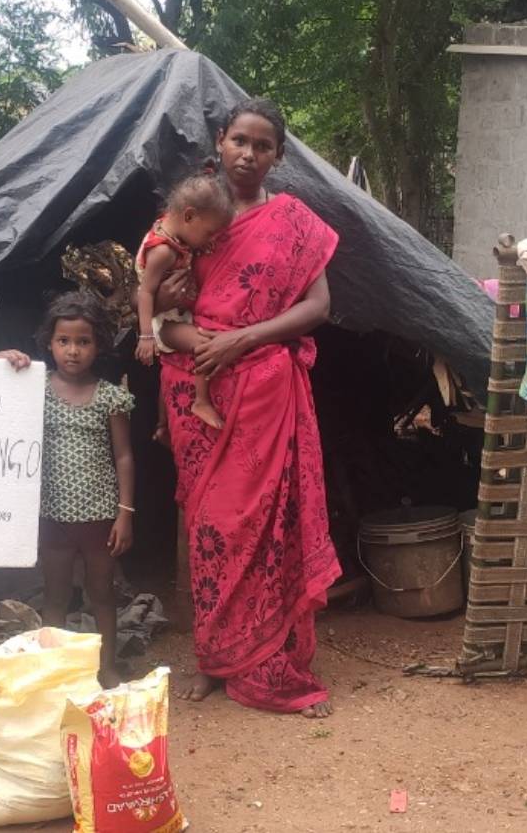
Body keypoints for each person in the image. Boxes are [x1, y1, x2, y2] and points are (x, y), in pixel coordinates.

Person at [157, 98, 341, 718]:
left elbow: (318, 306)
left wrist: (243, 339)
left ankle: (271, 658)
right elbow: (154, 313)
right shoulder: (188, 215)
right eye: (240, 140)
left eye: (263, 146)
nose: (248, 154)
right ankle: (215, 657)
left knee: (268, 530)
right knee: (211, 530)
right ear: (220, 139)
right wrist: (193, 332)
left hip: (265, 395)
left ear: (278, 156)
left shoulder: (293, 223)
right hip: (198, 392)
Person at [0, 292, 136, 689]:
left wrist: (125, 512)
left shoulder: (109, 396)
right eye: (64, 341)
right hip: (51, 514)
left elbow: (124, 456)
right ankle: (54, 671)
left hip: (100, 516)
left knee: (102, 593)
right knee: (55, 595)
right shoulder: (34, 387)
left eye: (83, 341)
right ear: (49, 342)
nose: (73, 351)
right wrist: (0, 363)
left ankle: (106, 668)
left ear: (99, 345)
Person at [134, 170, 234, 433]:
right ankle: (201, 402)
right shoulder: (163, 252)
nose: (212, 239)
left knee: (172, 366)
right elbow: (145, 292)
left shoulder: (173, 228)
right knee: (206, 344)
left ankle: (162, 425)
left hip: (177, 315)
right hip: (164, 322)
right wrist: (146, 336)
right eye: (210, 233)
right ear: (188, 216)